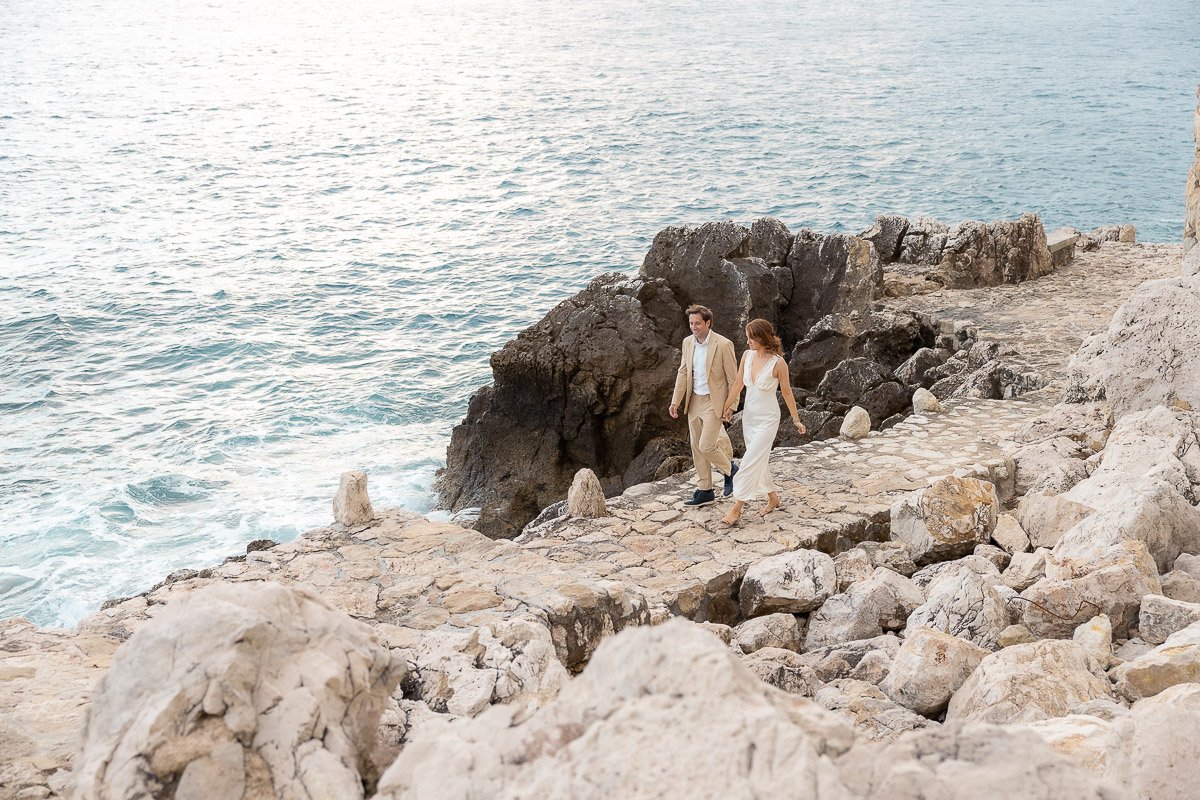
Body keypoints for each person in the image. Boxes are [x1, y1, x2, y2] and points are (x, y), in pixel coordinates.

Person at [720, 318, 805, 524]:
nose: (747, 341)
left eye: (751, 337)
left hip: (768, 419)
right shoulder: (747, 356)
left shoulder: (778, 363)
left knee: (749, 461)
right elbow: (738, 384)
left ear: (762, 338)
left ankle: (737, 508)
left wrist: (796, 419)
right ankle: (773, 497)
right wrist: (728, 407)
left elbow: (786, 393)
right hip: (749, 417)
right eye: (747, 337)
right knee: (760, 459)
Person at [669, 304, 738, 507]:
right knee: (696, 449)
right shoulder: (687, 343)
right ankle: (705, 490)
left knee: (706, 446)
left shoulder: (724, 344)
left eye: (697, 323)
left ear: (708, 323)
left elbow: (733, 380)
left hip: (713, 402)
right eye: (691, 323)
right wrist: (675, 401)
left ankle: (731, 471)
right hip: (693, 401)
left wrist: (731, 406)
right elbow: (683, 372)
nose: (694, 327)